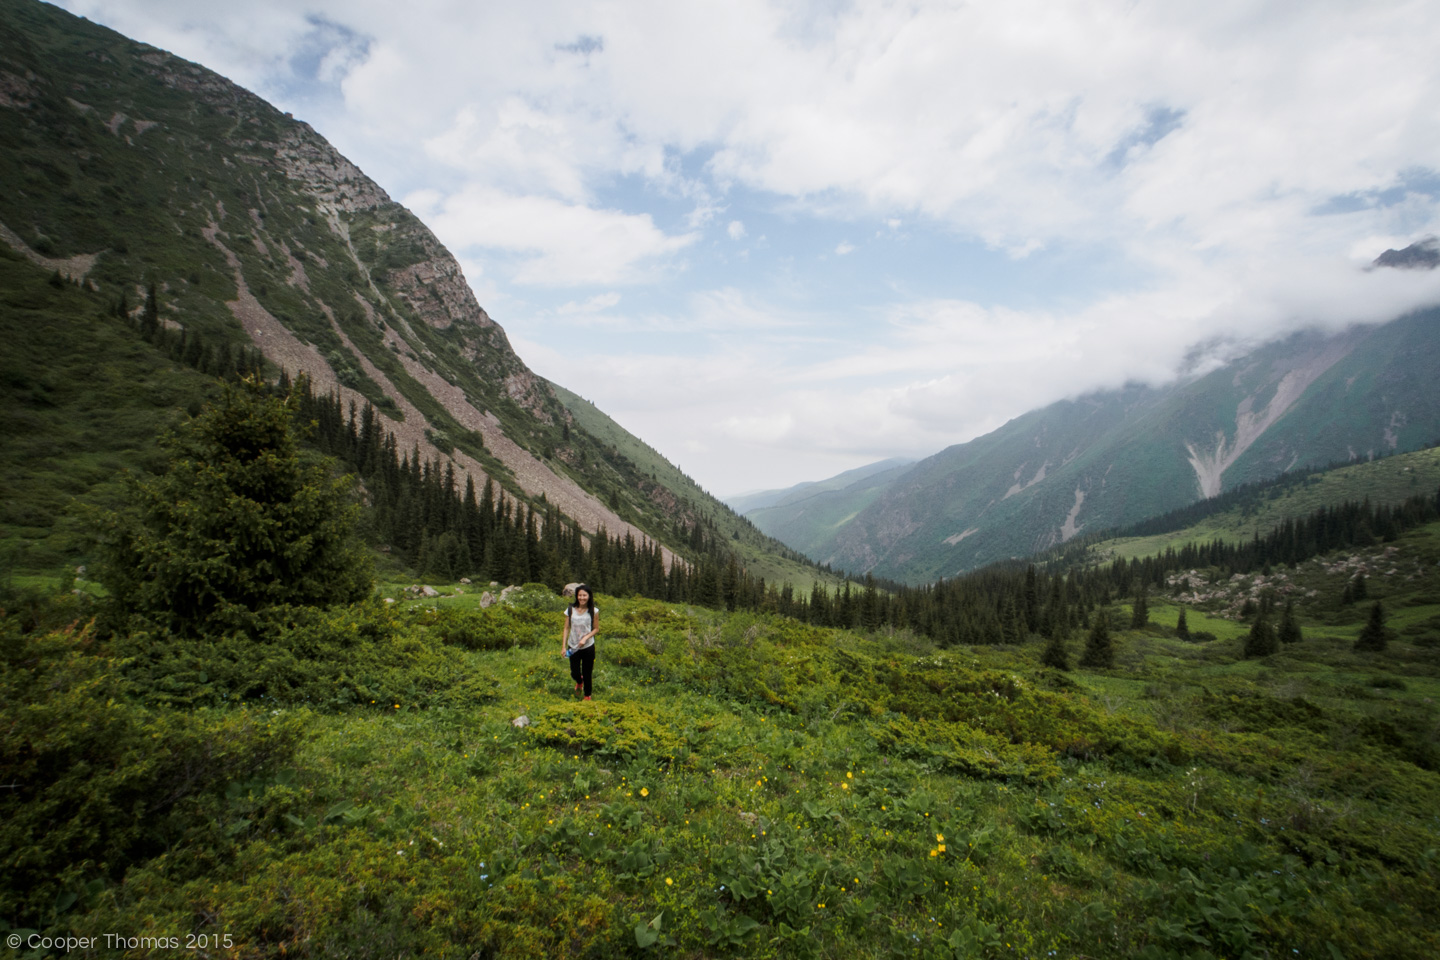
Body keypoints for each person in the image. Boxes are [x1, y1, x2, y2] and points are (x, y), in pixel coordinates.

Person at [562, 584, 599, 700]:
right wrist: (563, 647)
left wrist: (585, 638)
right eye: (580, 595)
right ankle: (579, 681)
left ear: (589, 596)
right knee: (574, 672)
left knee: (587, 673)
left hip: (588, 647)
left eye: (585, 595)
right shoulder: (570, 610)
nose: (582, 598)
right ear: (577, 596)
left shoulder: (594, 610)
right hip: (573, 646)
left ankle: (587, 695)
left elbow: (596, 629)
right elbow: (566, 628)